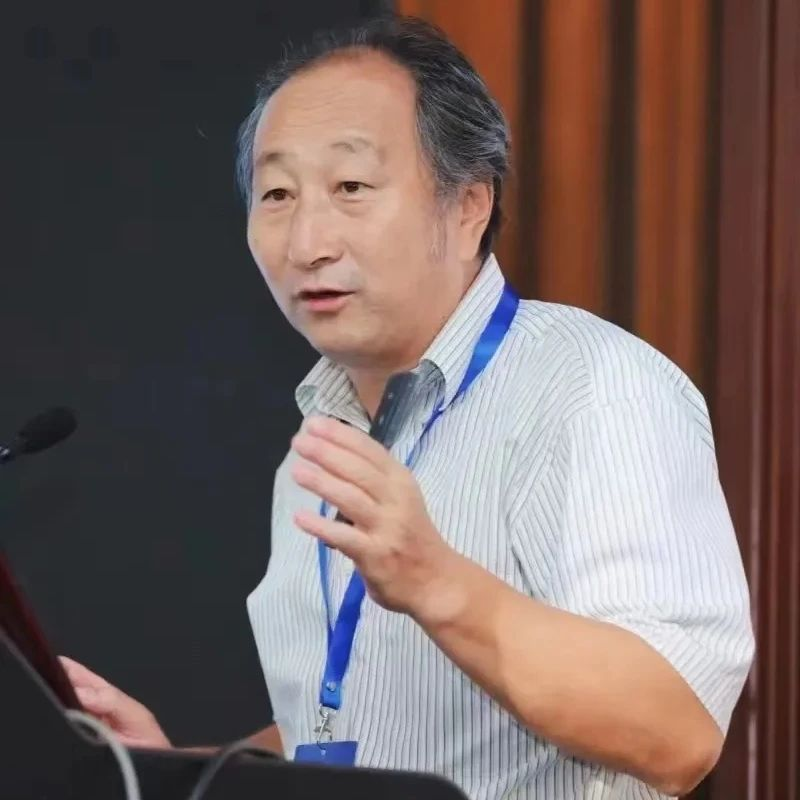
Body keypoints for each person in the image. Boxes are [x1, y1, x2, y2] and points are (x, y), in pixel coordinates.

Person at [61, 15, 755, 800]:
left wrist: (436, 582)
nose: (308, 241)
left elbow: (678, 730)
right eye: (277, 194)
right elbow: (349, 732)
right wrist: (176, 770)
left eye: (351, 187)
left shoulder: (592, 387)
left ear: (468, 208)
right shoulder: (323, 434)